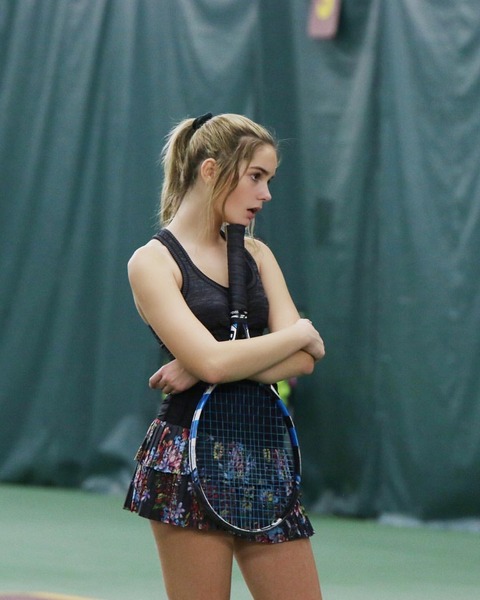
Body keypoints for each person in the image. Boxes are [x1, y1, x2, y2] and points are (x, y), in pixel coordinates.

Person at [124, 112, 325, 600]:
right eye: (256, 176)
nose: (266, 194)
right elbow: (220, 361)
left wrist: (201, 366)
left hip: (265, 455)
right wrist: (299, 330)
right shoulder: (152, 262)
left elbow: (303, 361)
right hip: (186, 457)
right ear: (211, 170)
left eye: (269, 179)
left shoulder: (258, 256)